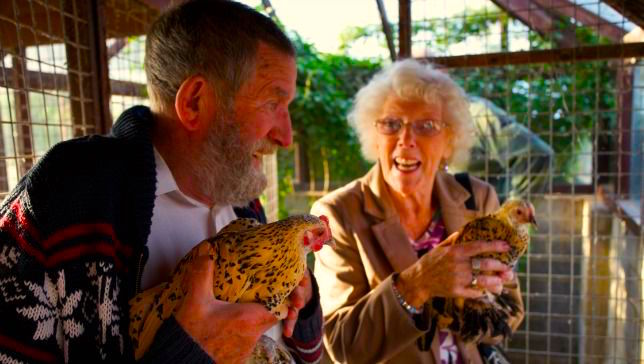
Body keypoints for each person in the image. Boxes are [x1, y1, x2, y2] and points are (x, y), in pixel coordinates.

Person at [0, 1, 323, 363]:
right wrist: (188, 354)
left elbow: (301, 350)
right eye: (271, 104)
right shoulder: (69, 195)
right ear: (195, 102)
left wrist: (304, 308)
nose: (287, 136)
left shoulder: (242, 199)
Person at [312, 59, 524, 363]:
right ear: (374, 135)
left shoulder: (477, 199)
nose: (406, 140)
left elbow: (509, 317)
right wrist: (417, 285)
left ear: (449, 140)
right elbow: (340, 345)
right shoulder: (337, 215)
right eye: (391, 124)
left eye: (426, 126)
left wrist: (481, 298)